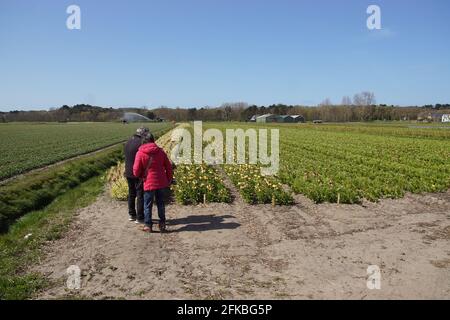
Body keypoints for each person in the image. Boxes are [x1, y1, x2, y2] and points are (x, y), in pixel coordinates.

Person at [133, 132, 173, 233]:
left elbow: (136, 170)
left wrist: (141, 176)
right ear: (153, 140)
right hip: (161, 182)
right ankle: (162, 223)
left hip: (148, 182)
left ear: (143, 141)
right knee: (161, 203)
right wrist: (169, 179)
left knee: (147, 204)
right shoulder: (160, 151)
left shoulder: (140, 153)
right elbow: (168, 167)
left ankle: (148, 225)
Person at [124, 127, 149, 223]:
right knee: (140, 195)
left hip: (128, 172)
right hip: (138, 173)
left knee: (131, 193)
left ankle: (131, 214)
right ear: (143, 134)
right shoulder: (141, 143)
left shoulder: (128, 142)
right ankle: (140, 217)